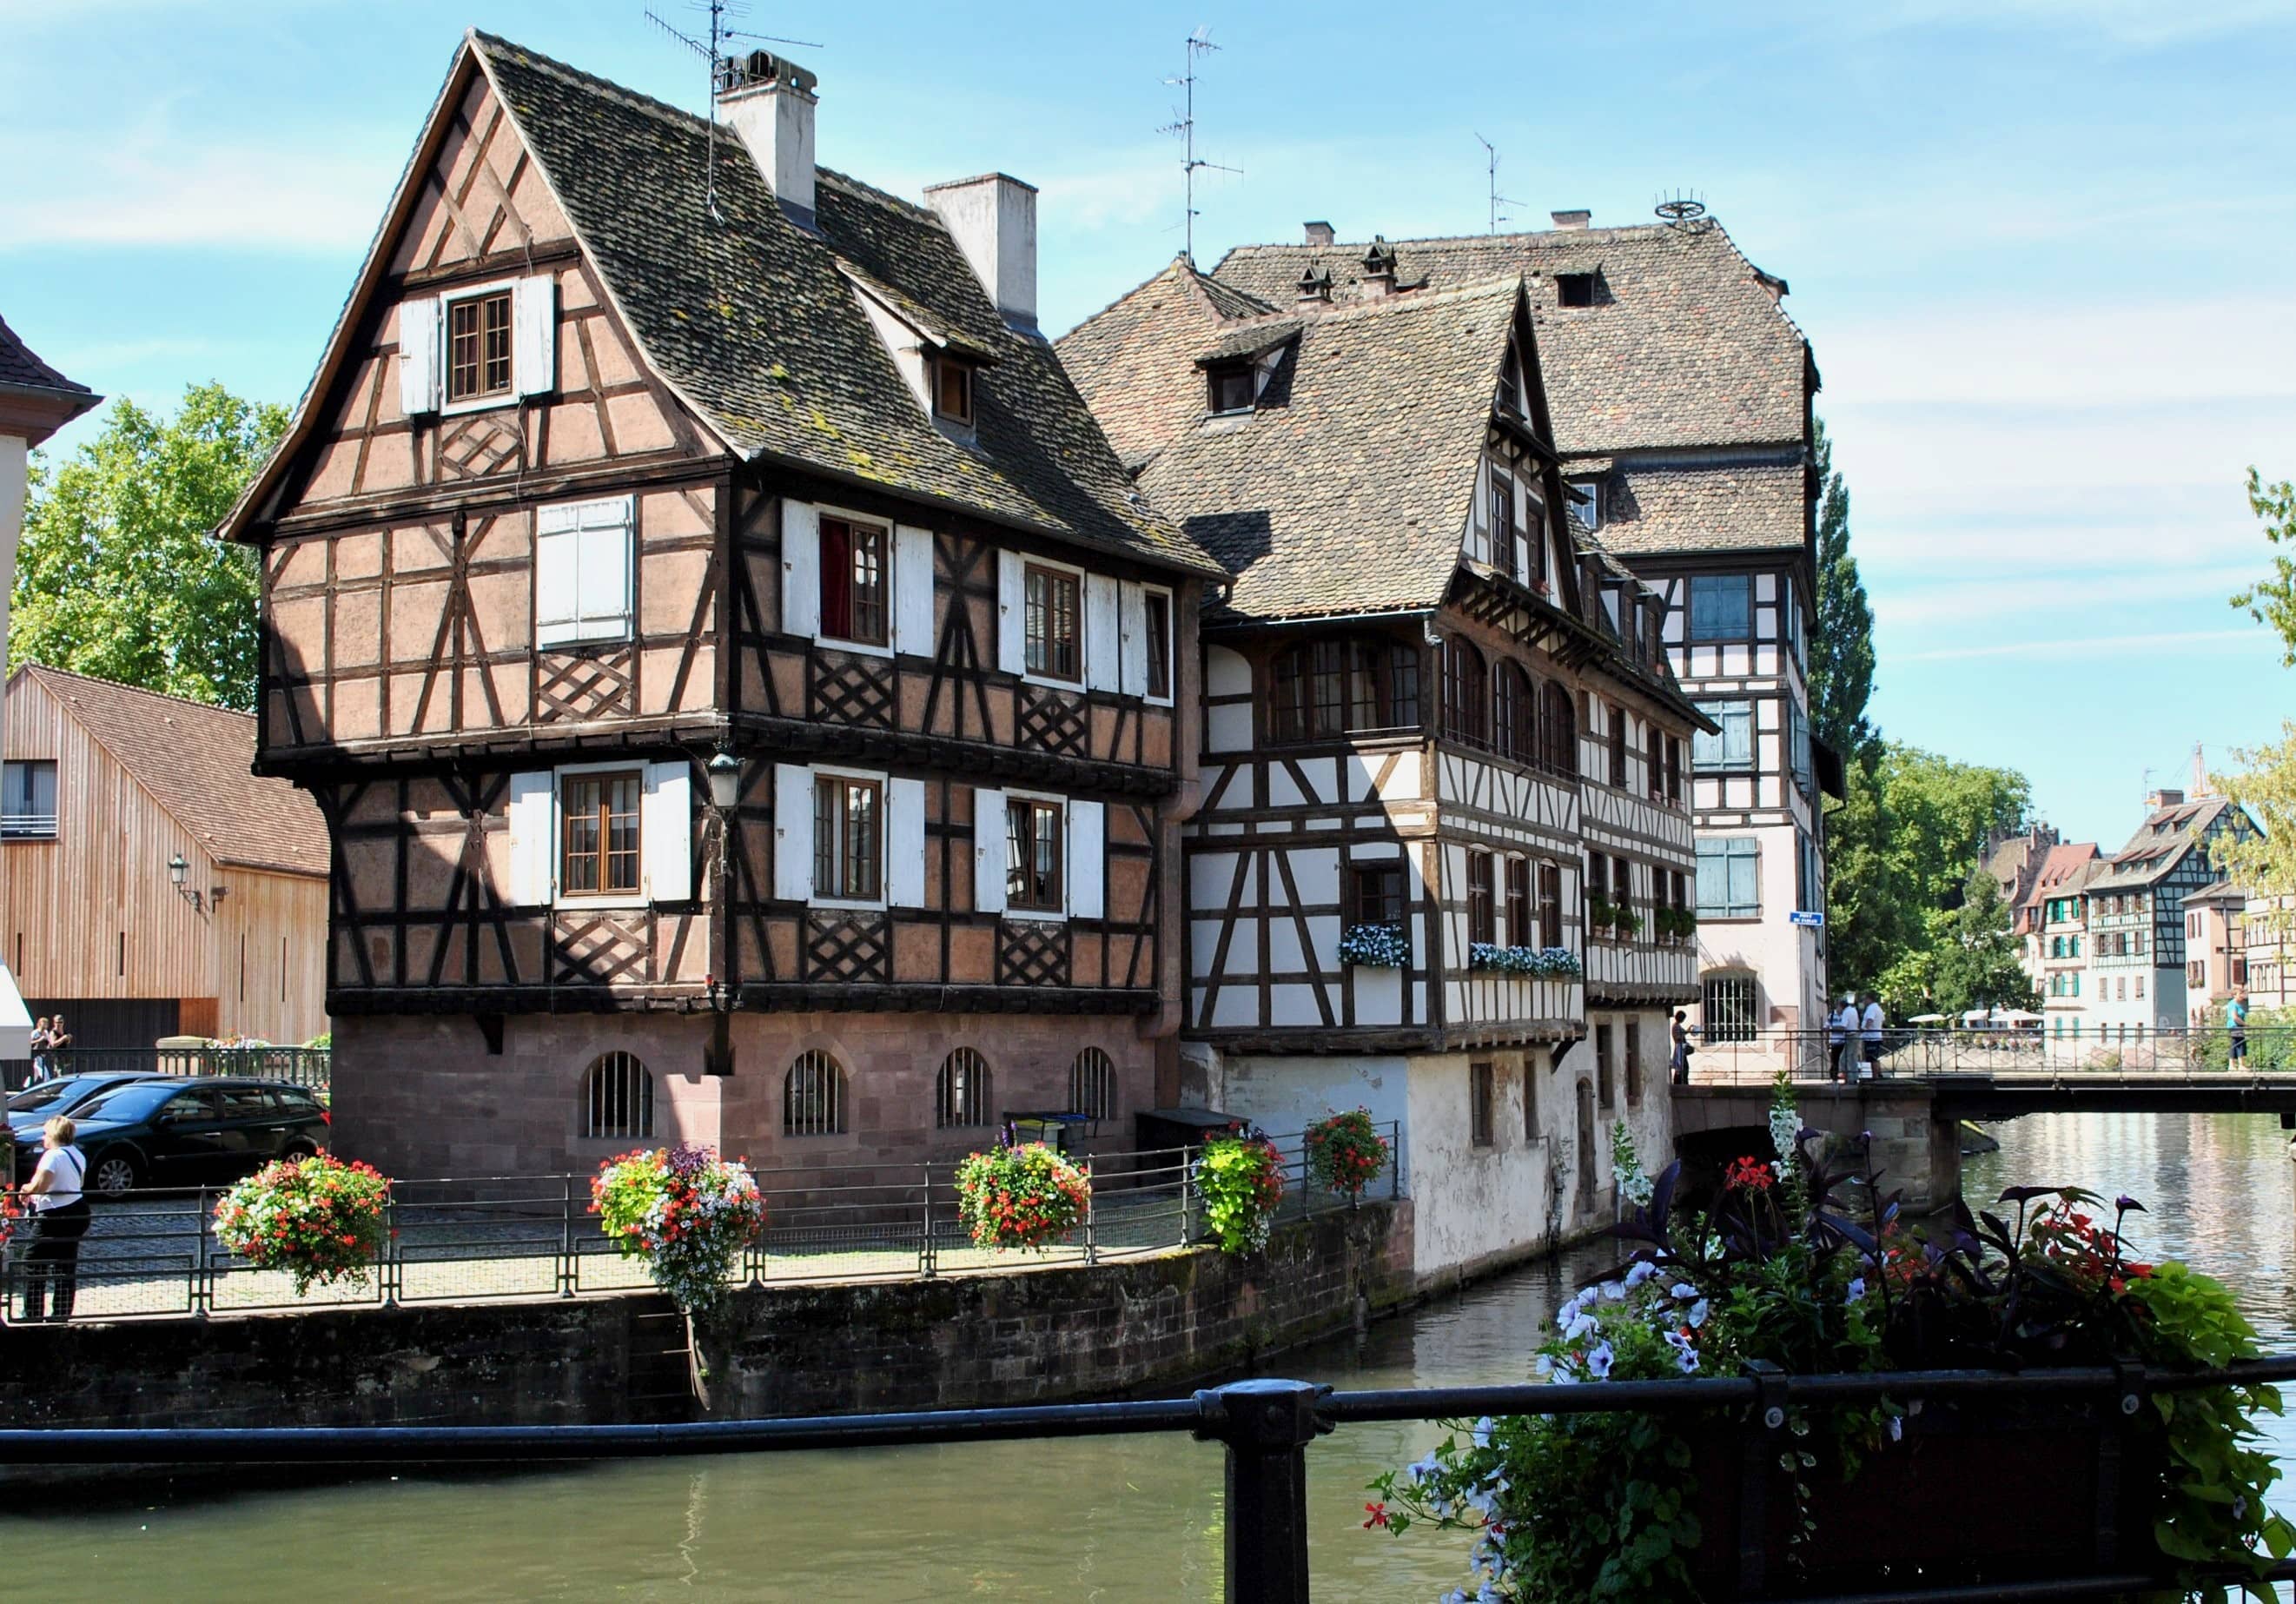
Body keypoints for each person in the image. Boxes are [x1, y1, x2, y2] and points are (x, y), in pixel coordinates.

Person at [19, 1115, 89, 1322]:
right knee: (65, 1263)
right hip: (78, 1210)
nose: (43, 1138)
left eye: (45, 1133)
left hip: (55, 1214)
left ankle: (32, 1315)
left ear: (53, 1135)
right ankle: (61, 1314)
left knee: (32, 1260)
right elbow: (78, 1182)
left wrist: (26, 1189)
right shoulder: (77, 1154)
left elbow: (41, 1185)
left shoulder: (53, 1155)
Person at [1858, 991, 1886, 1081]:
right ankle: (1878, 1074)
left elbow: (1870, 1020)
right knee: (1874, 1056)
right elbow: (1882, 1021)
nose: (1863, 1002)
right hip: (1876, 1036)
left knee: (1872, 1057)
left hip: (1871, 1037)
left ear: (1869, 999)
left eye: (1864, 999)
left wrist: (1864, 1029)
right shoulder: (1878, 1008)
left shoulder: (1871, 1009)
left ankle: (1875, 1077)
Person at [1835, 996, 1862, 1082]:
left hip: (1850, 1036)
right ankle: (1854, 1077)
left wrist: (1831, 1028)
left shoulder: (1846, 1012)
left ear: (1841, 1005)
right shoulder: (1853, 1010)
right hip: (1855, 1035)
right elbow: (1857, 1023)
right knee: (1853, 1057)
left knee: (1844, 1058)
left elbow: (1843, 1026)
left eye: (1837, 1006)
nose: (1837, 1008)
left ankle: (1849, 1079)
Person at [42, 1014, 70, 1079]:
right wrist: (63, 1038)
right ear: (54, 1023)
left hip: (64, 1055)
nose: (59, 1024)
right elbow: (53, 1044)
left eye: (61, 1022)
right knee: (60, 1074)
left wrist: (68, 1039)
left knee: (63, 1073)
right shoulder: (53, 1032)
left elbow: (66, 1043)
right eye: (57, 1022)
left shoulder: (64, 1032)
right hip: (56, 1056)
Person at [2228, 986, 2251, 1066]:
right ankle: (2239, 1065)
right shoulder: (2233, 1004)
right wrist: (2245, 1024)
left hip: (2238, 1027)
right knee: (2239, 1044)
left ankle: (2234, 1065)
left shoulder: (2238, 1004)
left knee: (2237, 1044)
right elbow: (2235, 1017)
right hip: (2235, 1027)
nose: (2242, 995)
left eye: (2242, 994)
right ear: (2234, 995)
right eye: (2240, 994)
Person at [1670, 1010, 1693, 1085]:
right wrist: (1684, 1034)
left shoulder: (1678, 1026)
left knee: (1684, 1066)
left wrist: (1688, 1030)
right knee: (1681, 1067)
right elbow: (1677, 1037)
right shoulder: (1675, 1026)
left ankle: (1683, 1082)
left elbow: (1683, 1033)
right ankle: (1680, 1083)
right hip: (1679, 1048)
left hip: (1681, 1048)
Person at [26, 1017, 50, 1084]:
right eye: (43, 1024)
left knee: (36, 1074)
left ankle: (27, 1086)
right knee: (43, 1072)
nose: (45, 1026)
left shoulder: (46, 1032)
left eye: (46, 1024)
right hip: (35, 1055)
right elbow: (29, 1042)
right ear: (39, 1024)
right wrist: (39, 1040)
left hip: (42, 1054)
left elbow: (49, 1042)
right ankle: (47, 1085)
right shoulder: (35, 1033)